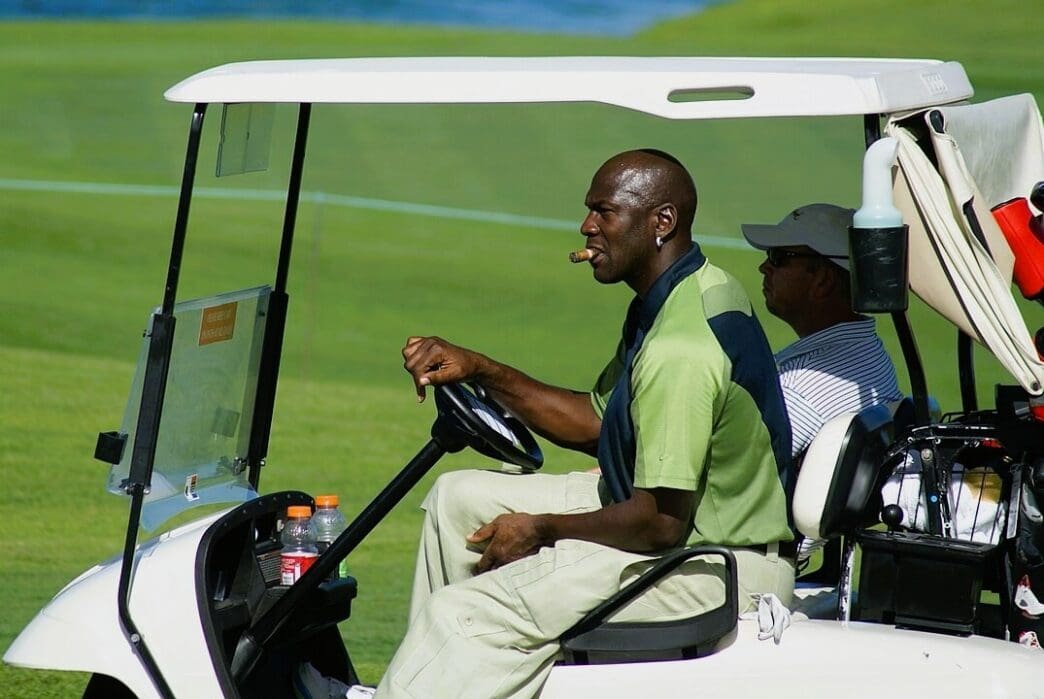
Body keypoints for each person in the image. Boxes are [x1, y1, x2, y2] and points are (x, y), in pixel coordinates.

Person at [372, 149, 795, 699]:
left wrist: (543, 528)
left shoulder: (681, 350)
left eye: (605, 212)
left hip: (713, 567)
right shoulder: (682, 293)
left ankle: (450, 656)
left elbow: (660, 525)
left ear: (660, 223)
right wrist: (480, 369)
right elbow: (594, 421)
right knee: (457, 498)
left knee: (463, 615)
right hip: (676, 528)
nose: (587, 226)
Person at [741, 203, 903, 459]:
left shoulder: (800, 391)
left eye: (778, 257)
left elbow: (734, 471)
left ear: (823, 280)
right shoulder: (867, 350)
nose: (764, 267)